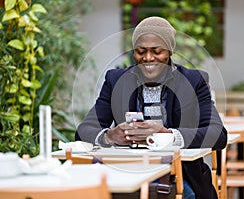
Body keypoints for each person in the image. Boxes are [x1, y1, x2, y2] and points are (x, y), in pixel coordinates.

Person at [75, 16, 227, 199]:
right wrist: (109, 136)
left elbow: (217, 134)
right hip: (126, 175)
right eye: (140, 51)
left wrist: (168, 135)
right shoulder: (116, 81)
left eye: (157, 51)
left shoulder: (194, 82)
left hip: (180, 176)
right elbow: (83, 131)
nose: (148, 58)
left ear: (169, 51)